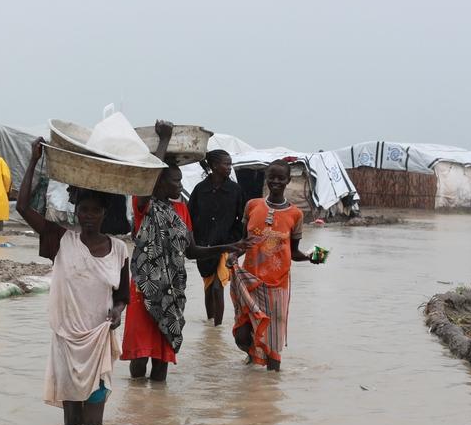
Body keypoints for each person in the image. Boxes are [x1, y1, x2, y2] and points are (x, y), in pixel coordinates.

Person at [121, 121, 254, 382]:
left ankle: (157, 417)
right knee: (138, 362)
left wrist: (230, 247)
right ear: (159, 183)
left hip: (172, 293)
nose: (179, 185)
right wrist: (164, 140)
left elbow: (192, 251)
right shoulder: (143, 205)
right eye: (174, 181)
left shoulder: (181, 209)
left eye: (180, 180)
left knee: (162, 364)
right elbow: (147, 177)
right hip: (144, 292)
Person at [16, 138, 129, 425]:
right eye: (83, 209)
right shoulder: (61, 240)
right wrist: (33, 159)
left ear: (105, 213)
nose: (87, 216)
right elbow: (23, 206)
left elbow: (122, 296)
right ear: (76, 210)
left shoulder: (119, 250)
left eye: (94, 210)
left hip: (98, 342)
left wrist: (117, 312)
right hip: (66, 342)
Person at [230, 159, 323, 372]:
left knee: (273, 348)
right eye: (272, 176)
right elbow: (243, 243)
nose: (276, 181)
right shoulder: (252, 205)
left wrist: (311, 257)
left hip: (277, 287)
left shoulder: (295, 214)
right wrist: (233, 255)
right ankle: (252, 359)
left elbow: (294, 252)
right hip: (250, 282)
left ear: (288, 180)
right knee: (242, 336)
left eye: (281, 178)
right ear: (266, 178)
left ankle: (271, 390)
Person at [187, 149, 246, 326]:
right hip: (204, 246)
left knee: (217, 287)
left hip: (227, 244)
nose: (229, 167)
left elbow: (242, 218)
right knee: (208, 287)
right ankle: (210, 323)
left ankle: (217, 330)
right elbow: (190, 216)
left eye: (230, 164)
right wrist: (193, 242)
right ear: (213, 166)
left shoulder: (235, 190)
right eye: (226, 164)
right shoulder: (200, 189)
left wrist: (236, 240)